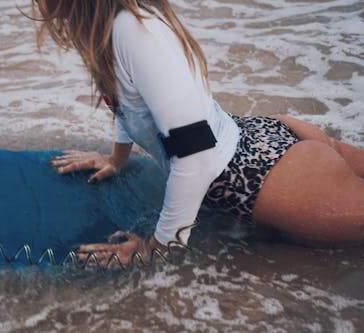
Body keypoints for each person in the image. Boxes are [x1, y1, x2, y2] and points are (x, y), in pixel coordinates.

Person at [29, 0, 364, 267]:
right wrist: (117, 158)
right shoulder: (115, 24)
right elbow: (131, 101)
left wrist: (158, 247)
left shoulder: (132, 31)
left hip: (267, 179)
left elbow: (197, 154)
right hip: (261, 144)